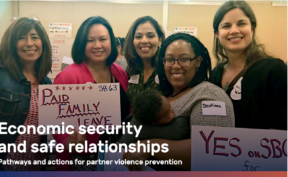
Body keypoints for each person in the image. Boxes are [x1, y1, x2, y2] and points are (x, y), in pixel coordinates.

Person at [122, 33, 235, 171]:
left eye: (184, 59)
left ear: (198, 61)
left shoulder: (210, 96)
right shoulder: (164, 94)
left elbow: (213, 155)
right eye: (169, 59)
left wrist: (151, 146)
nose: (175, 66)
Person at [52, 16, 130, 171]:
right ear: (82, 43)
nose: (97, 45)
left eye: (103, 39)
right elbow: (54, 123)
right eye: (90, 40)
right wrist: (68, 142)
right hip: (82, 159)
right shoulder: (68, 76)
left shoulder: (120, 72)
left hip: (115, 156)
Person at [209, 1, 287, 129]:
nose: (234, 30)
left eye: (241, 23)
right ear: (217, 34)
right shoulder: (215, 74)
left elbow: (280, 129)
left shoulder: (275, 70)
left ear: (252, 29)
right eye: (226, 26)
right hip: (218, 148)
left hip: (259, 149)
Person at [0, 17, 52, 171]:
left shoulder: (47, 83)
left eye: (35, 37)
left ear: (43, 43)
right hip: (4, 168)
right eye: (21, 38)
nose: (29, 43)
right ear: (11, 44)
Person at [119, 89, 190, 147]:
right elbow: (182, 128)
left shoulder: (139, 115)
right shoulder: (180, 127)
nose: (172, 110)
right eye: (168, 115)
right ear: (153, 123)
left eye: (170, 104)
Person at [123, 16, 165, 103]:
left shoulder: (166, 69)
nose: (144, 41)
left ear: (160, 39)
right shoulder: (130, 69)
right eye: (138, 37)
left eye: (150, 36)